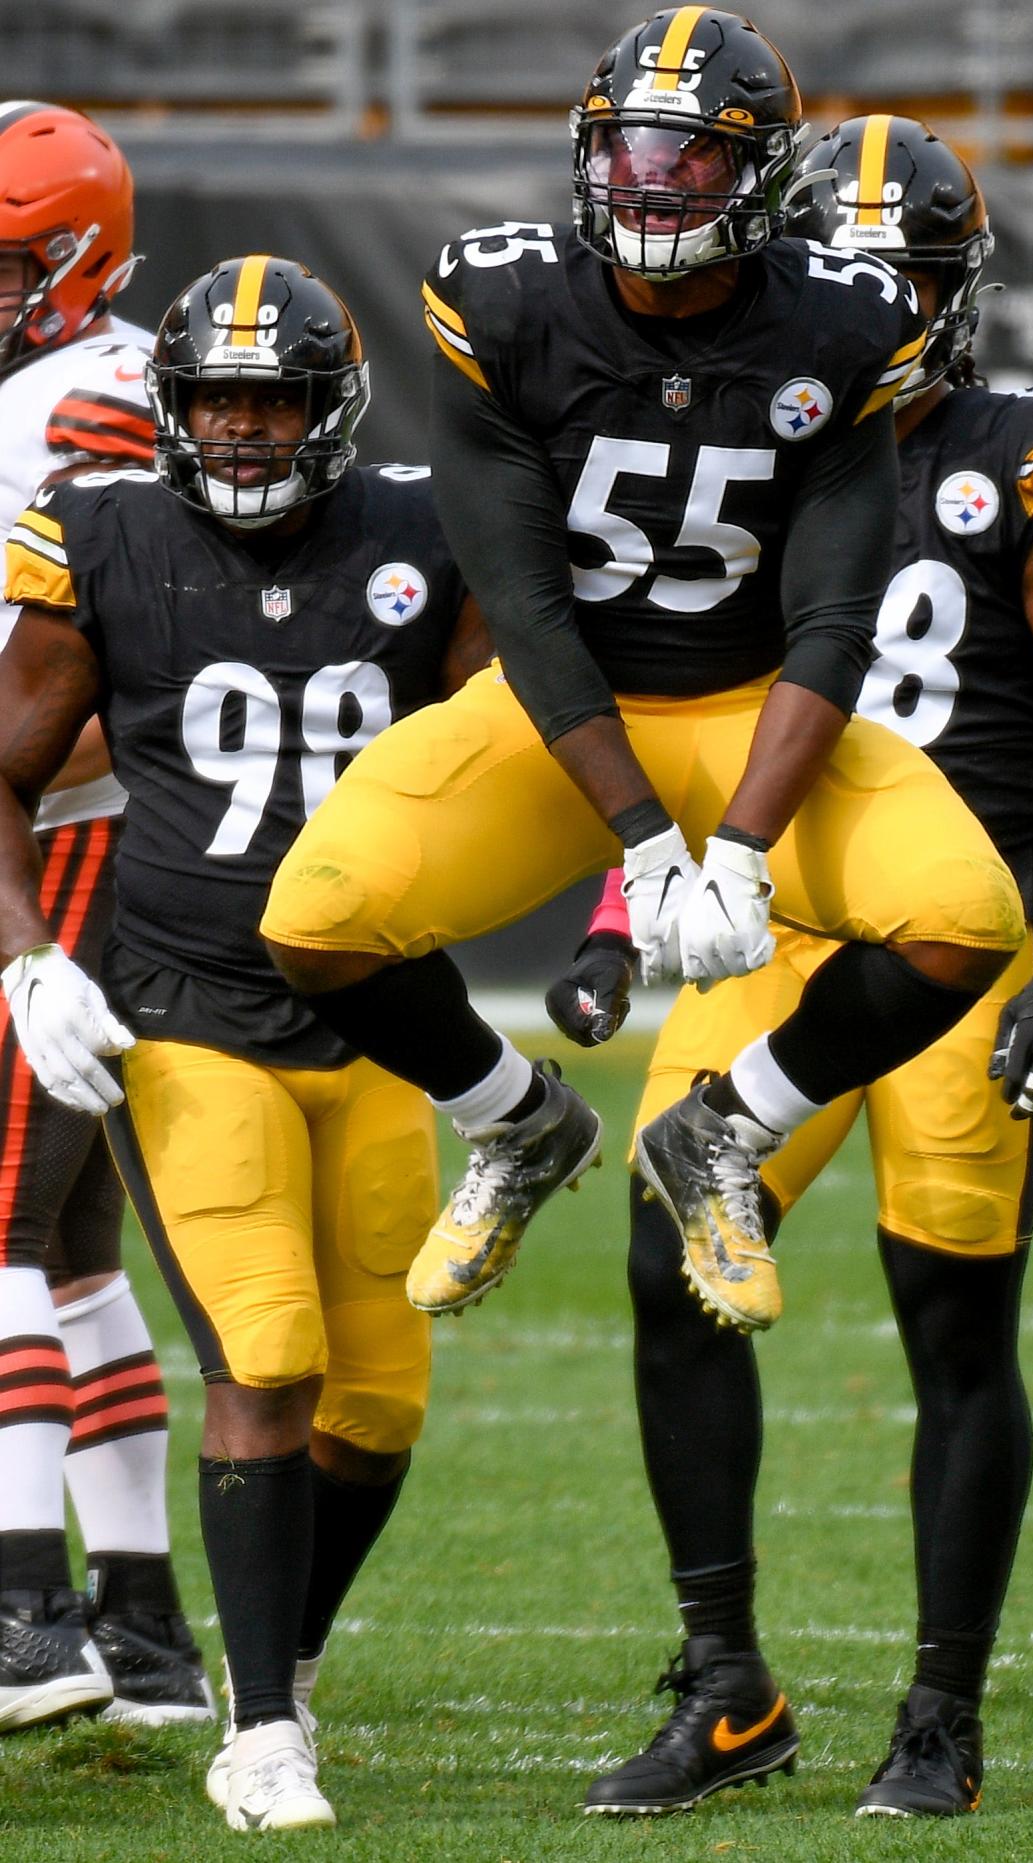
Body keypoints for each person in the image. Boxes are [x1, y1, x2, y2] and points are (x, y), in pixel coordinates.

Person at [549, 116, 1033, 1819]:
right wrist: (619, 918)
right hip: (780, 927)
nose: (880, 307)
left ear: (960, 294)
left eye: (913, 279)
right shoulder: (724, 443)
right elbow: (667, 709)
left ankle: (940, 1713)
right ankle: (728, 1688)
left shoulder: (1019, 458)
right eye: (852, 276)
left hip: (965, 942)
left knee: (952, 1321)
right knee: (668, 1252)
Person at [257, 10, 1024, 1347]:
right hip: (563, 716)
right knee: (313, 922)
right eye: (626, 148)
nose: (648, 180)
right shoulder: (504, 300)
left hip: (754, 704)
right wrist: (643, 843)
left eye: (690, 156)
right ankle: (515, 1122)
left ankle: (724, 1128)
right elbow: (526, 604)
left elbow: (835, 614)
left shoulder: (839, 323)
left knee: (965, 916)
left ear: (760, 178)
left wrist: (739, 845)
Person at [0, 254, 493, 1829]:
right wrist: (27, 962)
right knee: (267, 1353)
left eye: (270, 399)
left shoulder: (423, 531)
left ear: (330, 409)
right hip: (187, 1002)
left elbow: (528, 738)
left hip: (377, 1018)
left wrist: (619, 885)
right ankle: (262, 1729)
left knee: (377, 1403)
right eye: (213, 399)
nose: (239, 430)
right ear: (170, 408)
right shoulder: (106, 532)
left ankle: (277, 1658)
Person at [0, 98, 211, 1732]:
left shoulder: (95, 396)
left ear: (71, 263)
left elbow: (131, 645)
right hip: (66, 815)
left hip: (68, 818)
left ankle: (24, 1613)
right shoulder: (60, 381)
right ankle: (140, 1629)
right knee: (69, 1235)